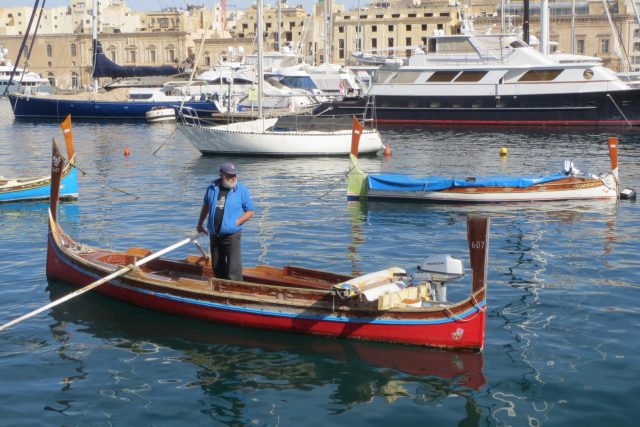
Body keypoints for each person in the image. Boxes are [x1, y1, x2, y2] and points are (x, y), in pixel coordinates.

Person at [197, 162, 254, 281]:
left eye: (235, 175)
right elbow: (206, 205)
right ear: (222, 176)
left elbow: (250, 211)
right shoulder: (212, 188)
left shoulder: (241, 190)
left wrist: (237, 222)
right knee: (217, 264)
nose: (233, 178)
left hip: (232, 234)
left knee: (234, 267)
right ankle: (220, 288)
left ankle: (235, 290)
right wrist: (200, 223)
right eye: (230, 175)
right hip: (215, 234)